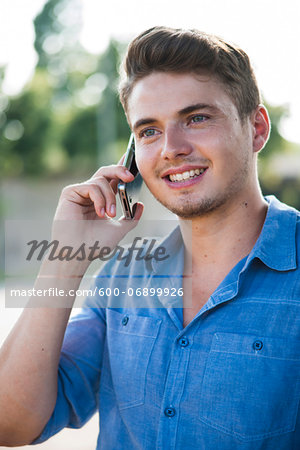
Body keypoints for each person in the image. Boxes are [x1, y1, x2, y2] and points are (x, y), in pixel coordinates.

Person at [0, 26, 299, 449]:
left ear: (256, 128)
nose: (170, 148)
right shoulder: (122, 278)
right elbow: (11, 424)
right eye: (149, 131)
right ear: (131, 159)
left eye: (196, 118)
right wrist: (66, 257)